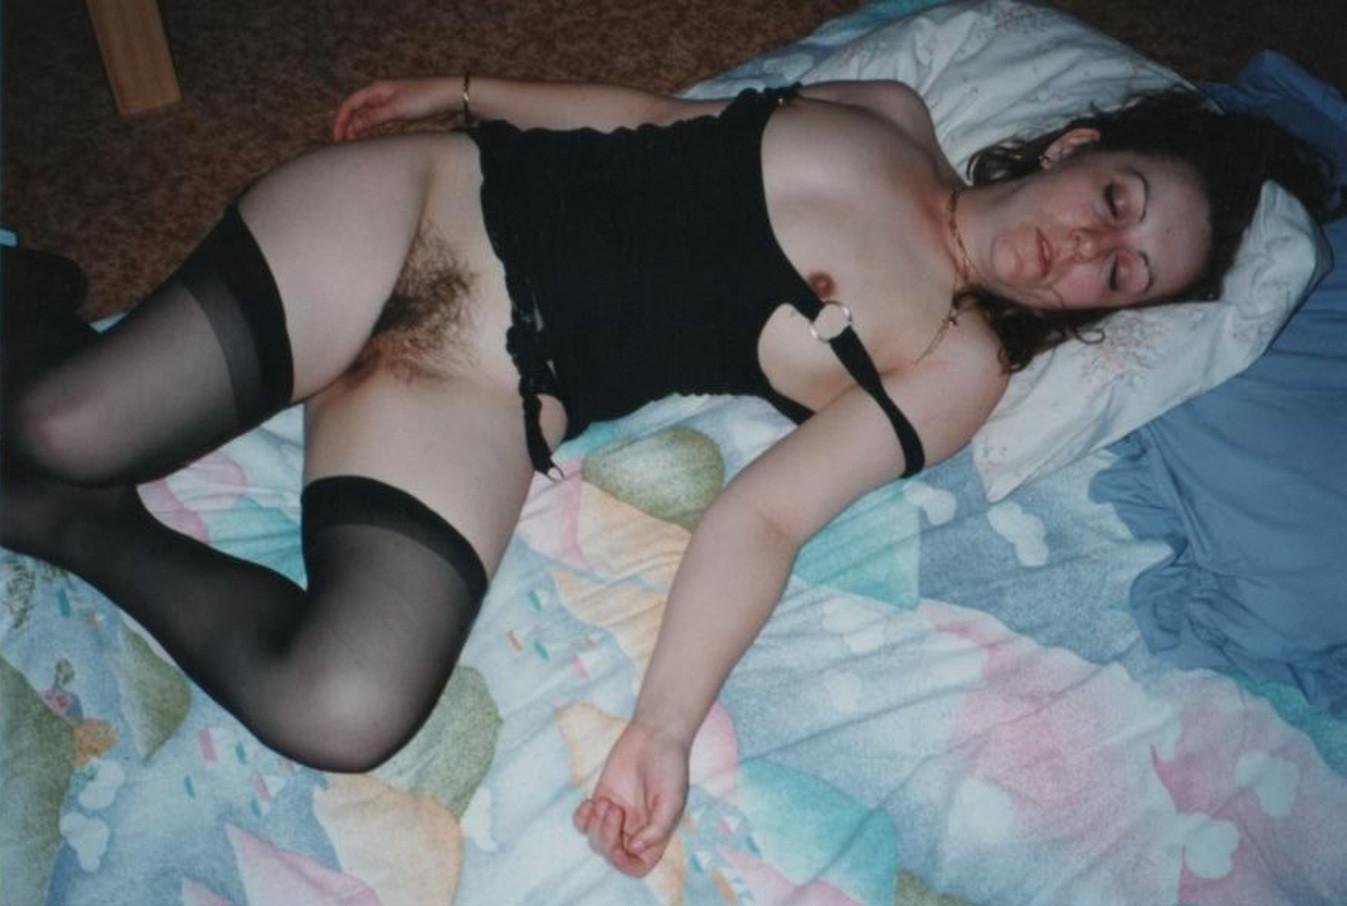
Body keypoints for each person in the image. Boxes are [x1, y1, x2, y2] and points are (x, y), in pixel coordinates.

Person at [1, 73, 1329, 877]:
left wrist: (663, 730)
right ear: (1075, 146)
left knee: (345, 704)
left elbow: (768, 513)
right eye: (1114, 206)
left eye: (1123, 276)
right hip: (435, 203)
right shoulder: (891, 116)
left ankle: (77, 525)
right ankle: (40, 337)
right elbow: (649, 118)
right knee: (61, 422)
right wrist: (459, 92)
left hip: (482, 391)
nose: (1084, 254)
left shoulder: (961, 359)